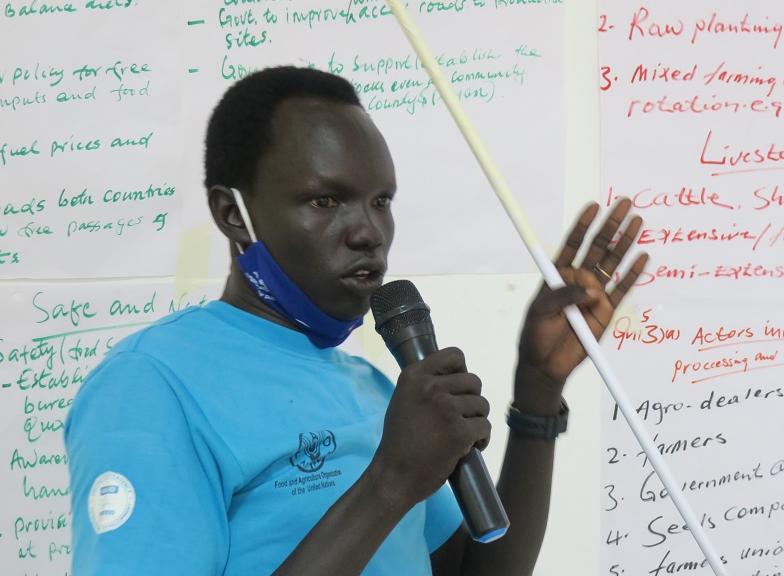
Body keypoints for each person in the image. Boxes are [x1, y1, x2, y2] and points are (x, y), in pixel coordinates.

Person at [65, 66, 648, 575]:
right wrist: (390, 481)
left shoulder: (369, 385)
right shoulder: (151, 384)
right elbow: (389, 486)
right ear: (232, 214)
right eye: (326, 200)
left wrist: (538, 391)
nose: (369, 231)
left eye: (381, 201)